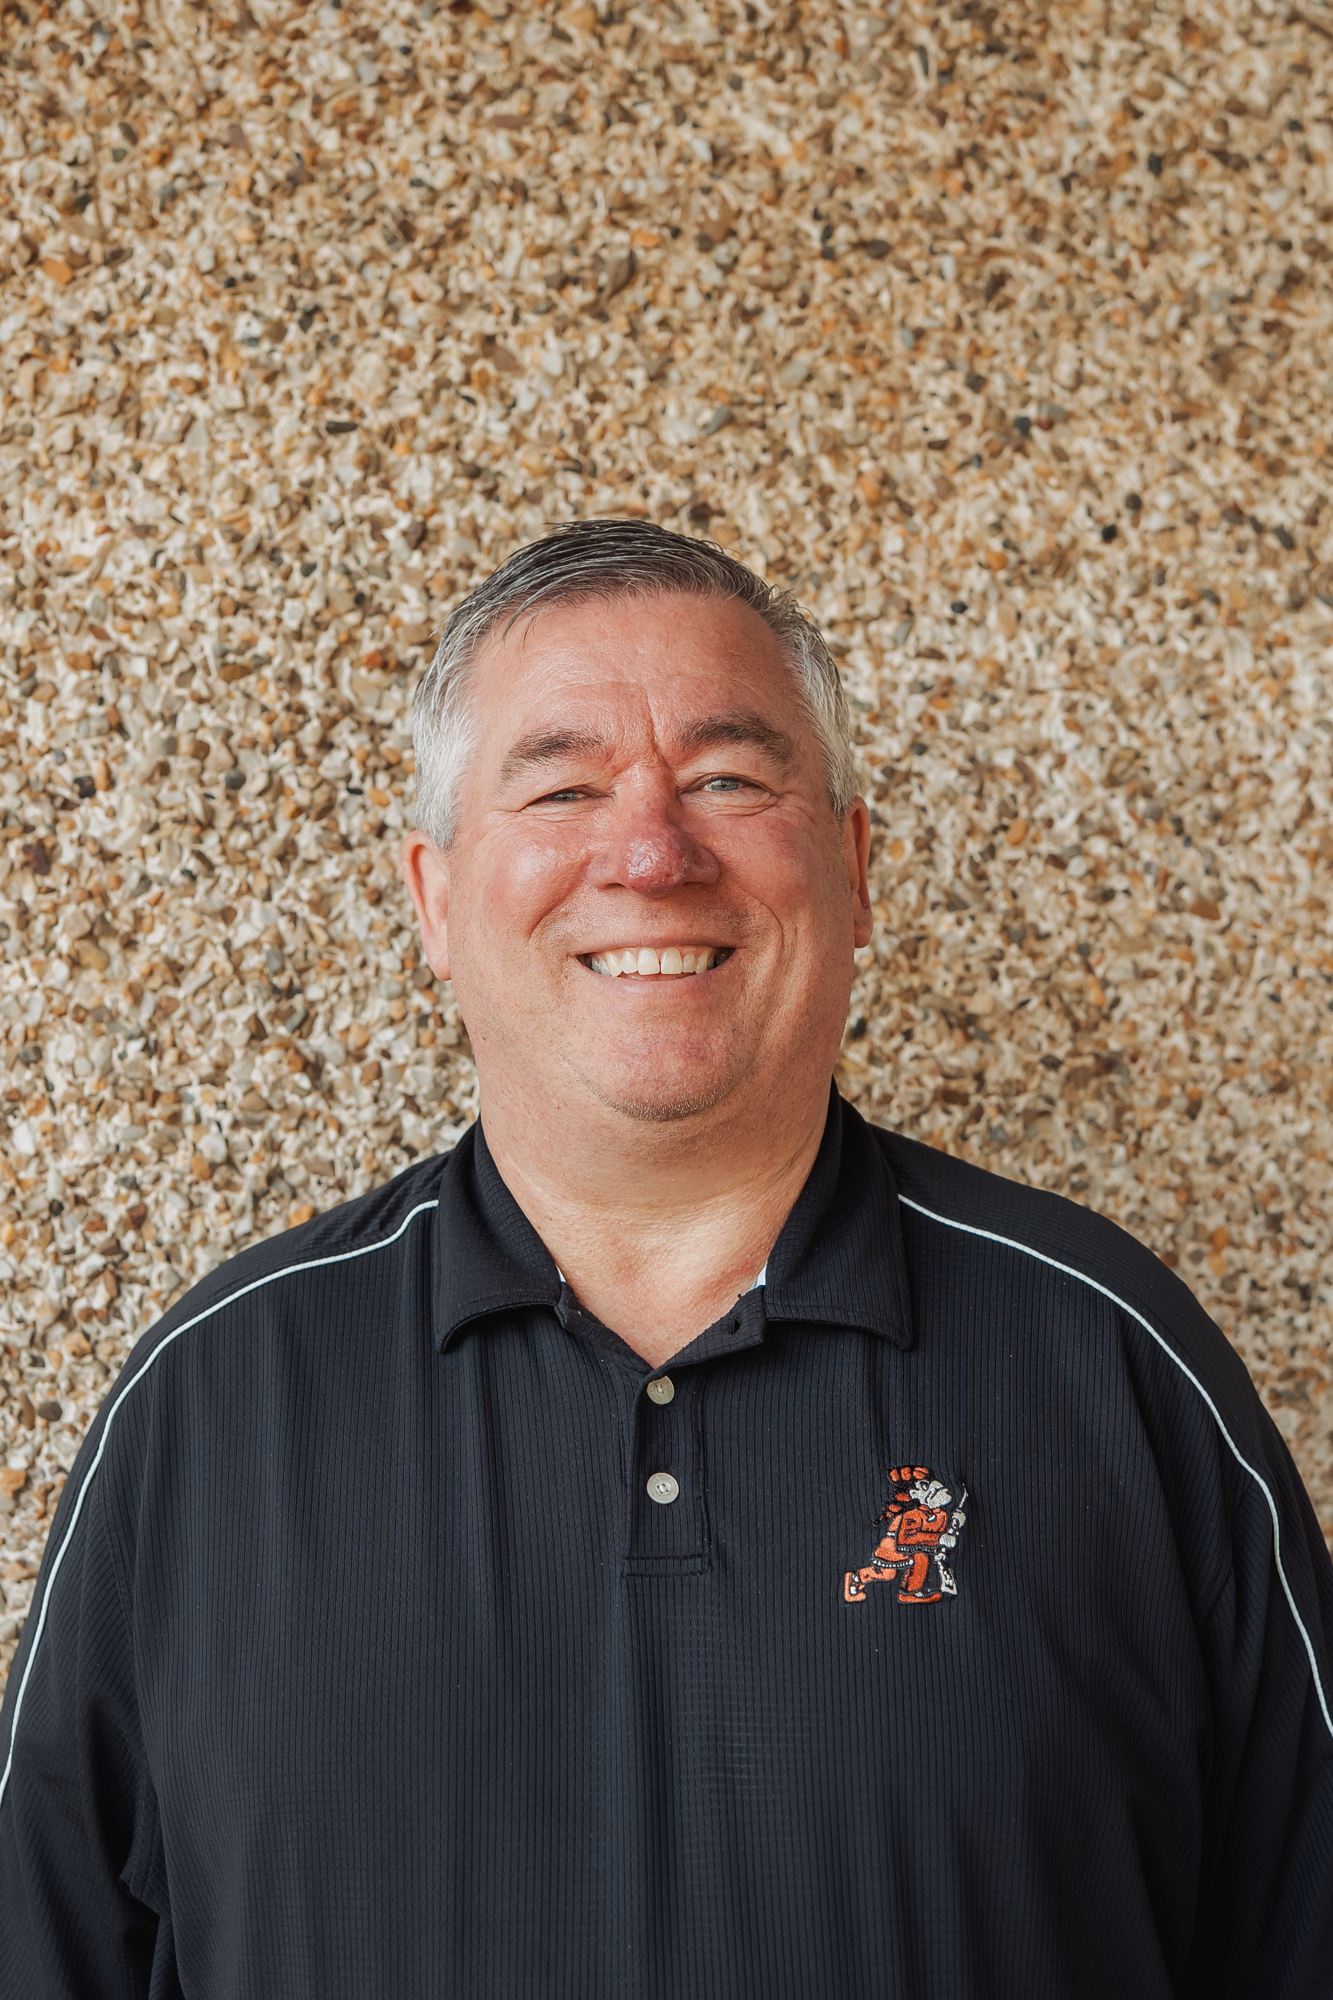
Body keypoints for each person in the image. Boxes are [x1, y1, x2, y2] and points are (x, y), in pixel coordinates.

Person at [1, 519, 1330, 1999]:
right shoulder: (213, 1405)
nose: (647, 853)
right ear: (434, 899)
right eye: (562, 786)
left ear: (852, 865)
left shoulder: (1111, 1367)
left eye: (725, 780)